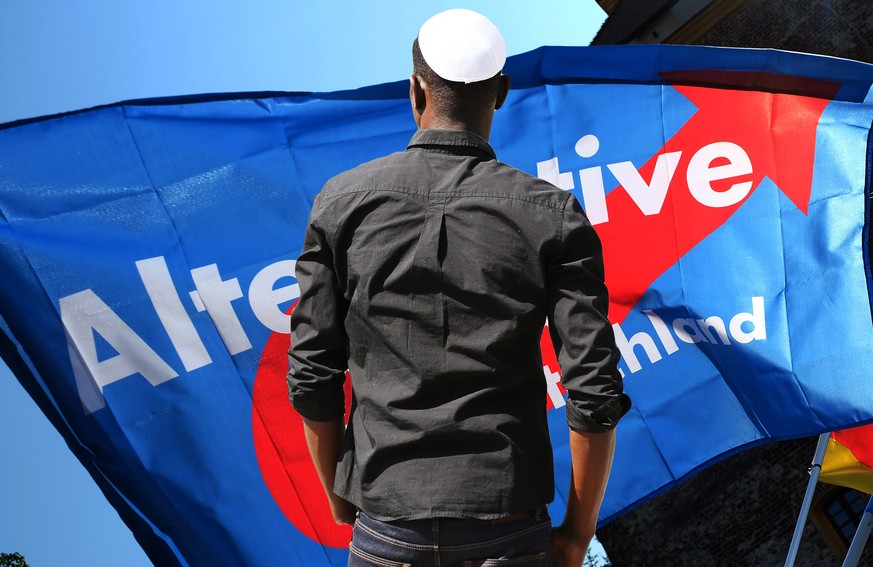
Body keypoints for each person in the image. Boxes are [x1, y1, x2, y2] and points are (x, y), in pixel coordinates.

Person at [288, 8, 630, 567]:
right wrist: (575, 532)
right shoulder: (553, 214)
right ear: (500, 92)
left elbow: (312, 375)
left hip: (386, 527)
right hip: (508, 529)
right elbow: (593, 391)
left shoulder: (340, 203)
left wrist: (340, 499)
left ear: (416, 90)